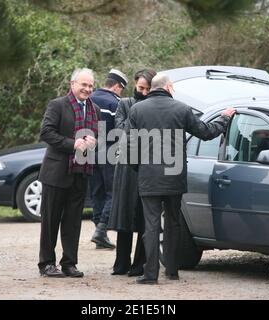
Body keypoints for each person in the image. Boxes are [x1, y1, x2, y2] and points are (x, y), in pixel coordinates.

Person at [128, 74, 236, 284]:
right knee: (173, 222)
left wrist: (140, 169)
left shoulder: (137, 110)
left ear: (152, 88)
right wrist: (224, 118)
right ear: (169, 87)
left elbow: (130, 146)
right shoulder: (182, 109)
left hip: (148, 177)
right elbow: (205, 132)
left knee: (150, 225)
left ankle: (150, 275)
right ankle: (172, 270)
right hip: (174, 176)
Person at [38, 68, 99, 278]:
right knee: (50, 220)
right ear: (73, 84)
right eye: (84, 84)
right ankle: (46, 263)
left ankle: (69, 263)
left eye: (91, 86)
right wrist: (74, 144)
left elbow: (95, 138)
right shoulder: (57, 105)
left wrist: (93, 143)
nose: (87, 89)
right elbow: (46, 132)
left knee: (73, 222)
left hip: (81, 172)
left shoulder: (95, 109)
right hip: (56, 172)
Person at [108, 68, 157, 276]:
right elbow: (120, 132)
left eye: (148, 89)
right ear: (135, 84)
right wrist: (138, 113)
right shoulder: (125, 104)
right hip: (126, 168)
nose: (144, 92)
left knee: (144, 217)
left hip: (147, 166)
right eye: (141, 88)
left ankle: (139, 265)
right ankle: (121, 263)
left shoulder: (155, 107)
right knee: (125, 214)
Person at [89, 69, 128, 249]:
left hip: (89, 151)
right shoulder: (115, 103)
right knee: (113, 191)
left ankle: (99, 231)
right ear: (117, 86)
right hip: (109, 152)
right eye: (121, 89)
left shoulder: (89, 98)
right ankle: (101, 229)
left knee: (96, 192)